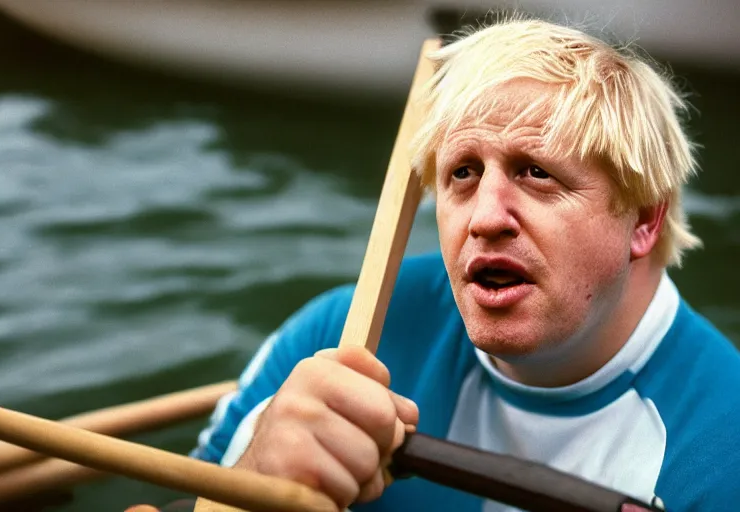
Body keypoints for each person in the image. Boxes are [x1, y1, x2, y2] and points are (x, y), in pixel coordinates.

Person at [191, 17, 740, 512]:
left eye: (535, 172)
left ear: (644, 221)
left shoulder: (722, 457)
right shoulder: (340, 339)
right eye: (463, 173)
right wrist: (253, 479)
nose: (484, 219)